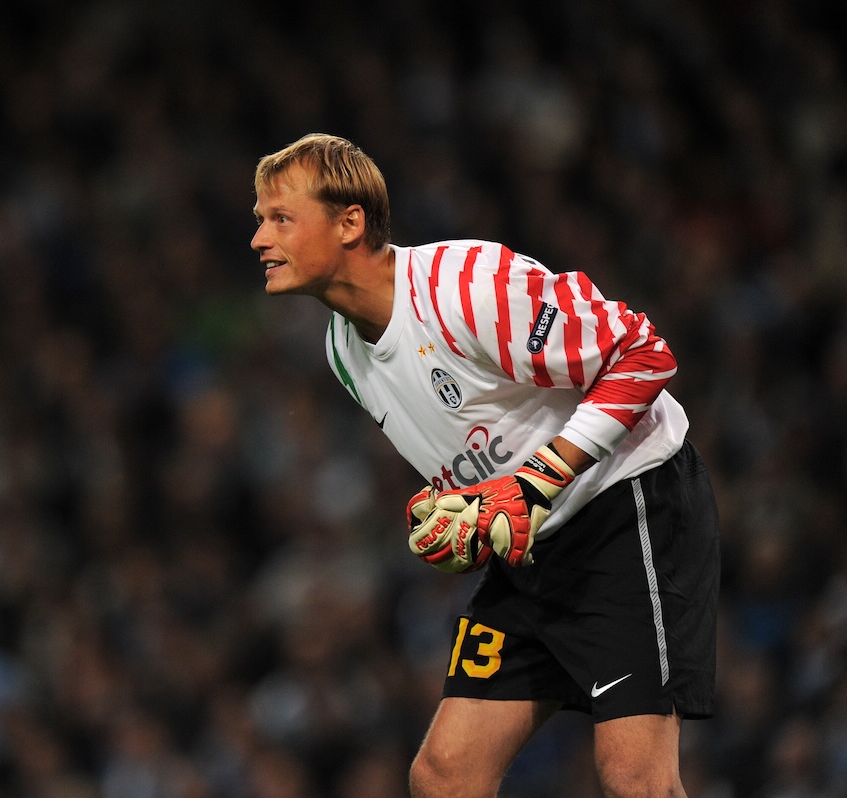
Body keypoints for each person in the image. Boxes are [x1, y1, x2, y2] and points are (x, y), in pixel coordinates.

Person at [250, 133, 719, 798]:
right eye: (260, 221)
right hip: (534, 551)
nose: (259, 241)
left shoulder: (465, 285)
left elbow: (643, 355)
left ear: (349, 222)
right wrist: (454, 511)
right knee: (444, 776)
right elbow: (478, 453)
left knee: (635, 780)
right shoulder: (341, 350)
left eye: (280, 219)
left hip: (627, 508)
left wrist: (535, 482)